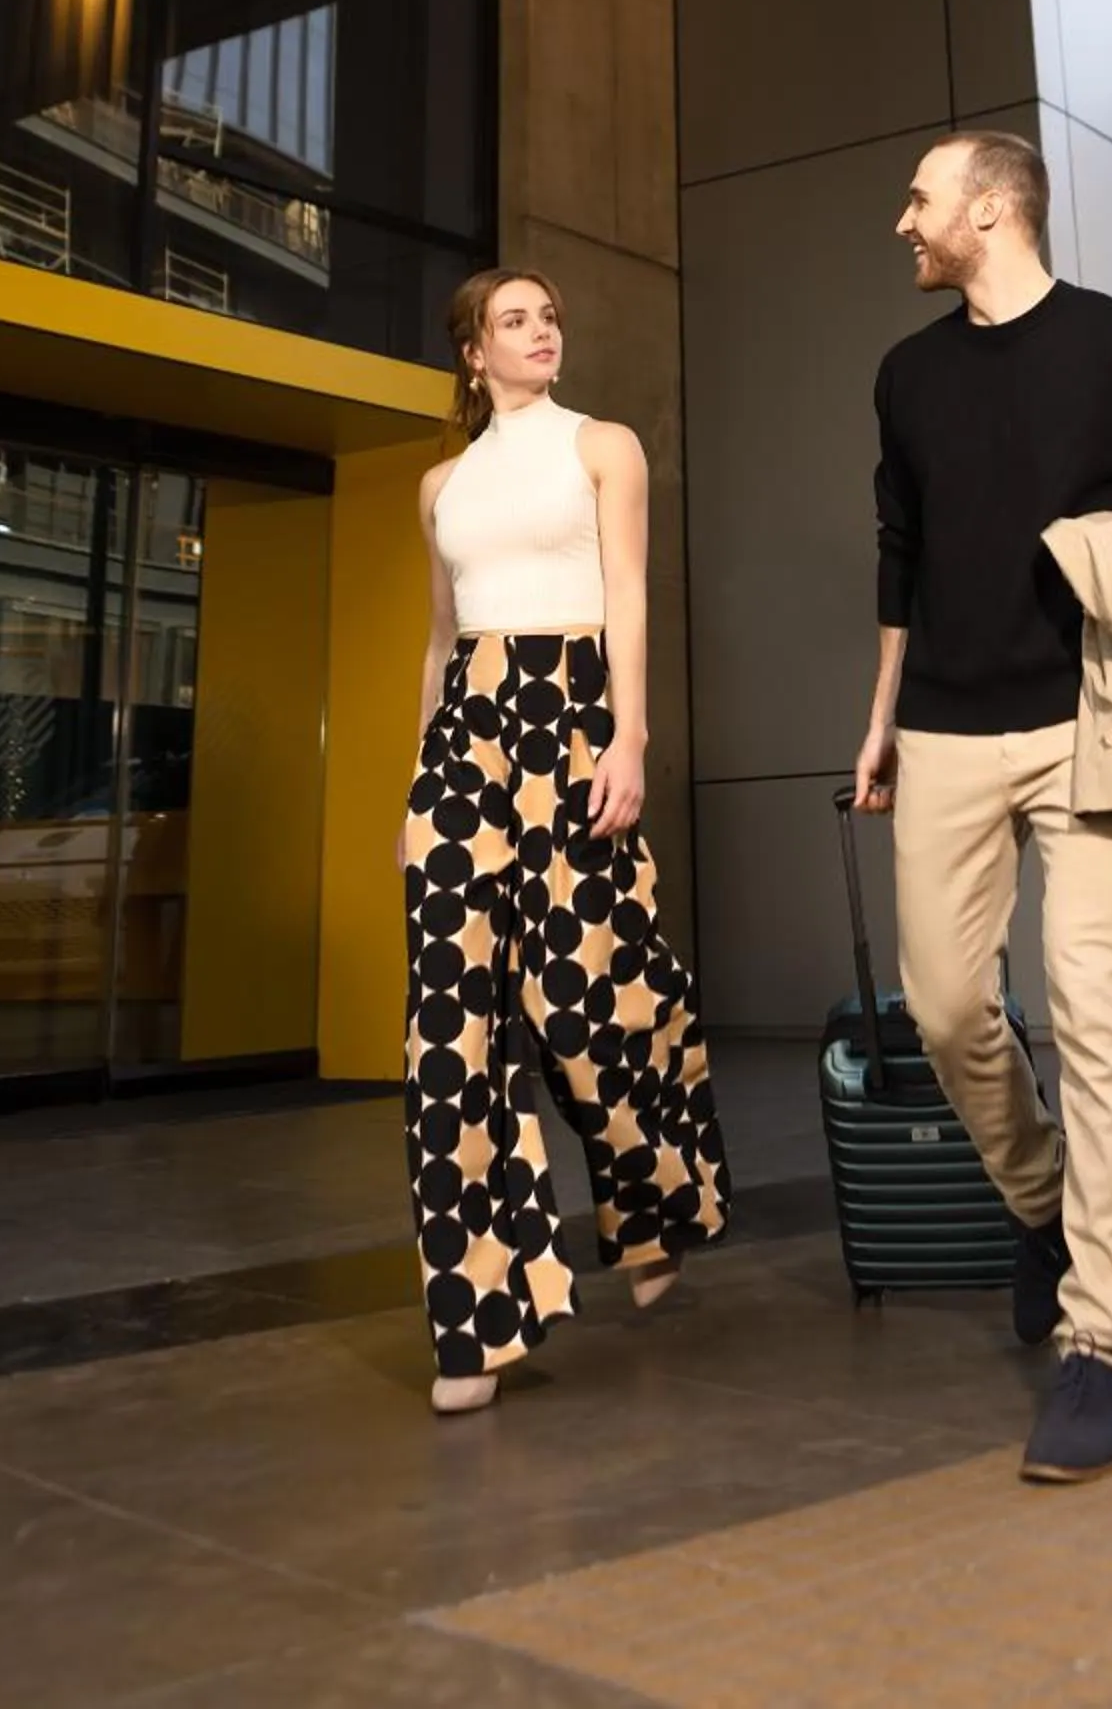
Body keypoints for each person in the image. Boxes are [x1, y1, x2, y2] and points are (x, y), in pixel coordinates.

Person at [854, 131, 1112, 1484]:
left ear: (987, 207)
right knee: (943, 1008)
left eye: (918, 201)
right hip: (943, 731)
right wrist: (877, 724)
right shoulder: (905, 376)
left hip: (1091, 729)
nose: (900, 223)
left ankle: (1098, 1346)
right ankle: (1040, 1203)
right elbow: (898, 559)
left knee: (1095, 1008)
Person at [401, 268, 727, 1414]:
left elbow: (629, 591)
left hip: (576, 717)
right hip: (468, 742)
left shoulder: (605, 447)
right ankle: (477, 1322)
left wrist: (627, 738)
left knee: (589, 1000)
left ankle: (655, 1205)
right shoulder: (441, 483)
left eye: (550, 315)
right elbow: (444, 642)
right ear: (472, 352)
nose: (543, 332)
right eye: (516, 320)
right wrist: (418, 777)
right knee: (449, 1029)